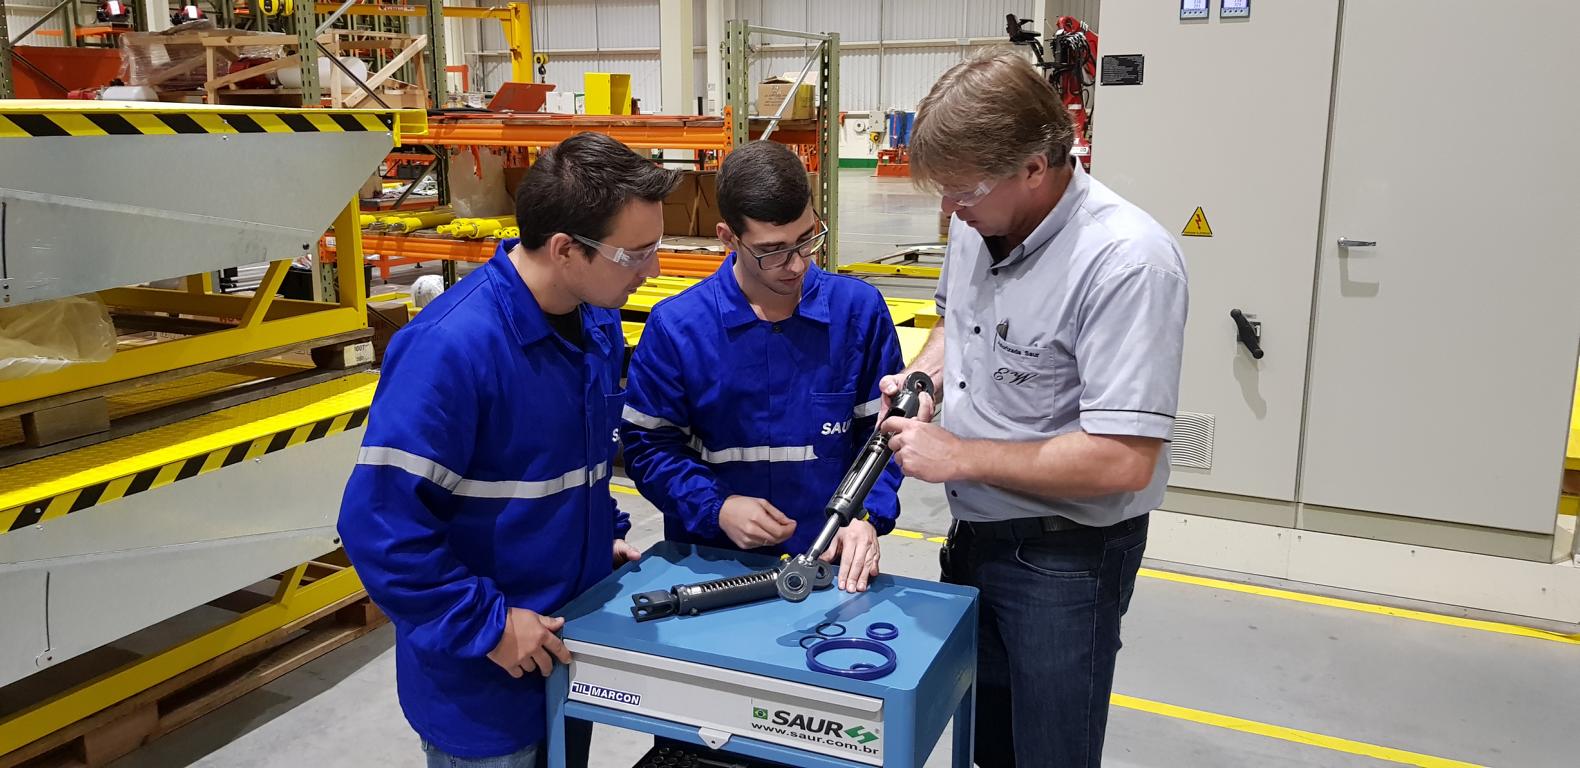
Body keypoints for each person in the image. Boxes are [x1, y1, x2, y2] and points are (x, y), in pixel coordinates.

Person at [878, 51, 1189, 767]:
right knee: (989, 745)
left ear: (1035, 168)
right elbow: (953, 326)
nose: (952, 209)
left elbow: (1121, 458)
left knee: (1050, 755)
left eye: (964, 189)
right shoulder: (977, 225)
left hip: (1065, 561)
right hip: (975, 538)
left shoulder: (1126, 263)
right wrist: (924, 378)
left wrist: (959, 456)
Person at [337, 132, 680, 768]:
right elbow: (379, 527)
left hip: (565, 647)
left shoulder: (594, 323)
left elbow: (565, 472)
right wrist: (489, 627)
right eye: (636, 254)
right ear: (564, 249)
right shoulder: (451, 351)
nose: (653, 269)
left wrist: (589, 541)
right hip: (483, 683)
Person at [621, 141, 904, 593]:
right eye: (772, 251)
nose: (797, 264)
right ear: (728, 237)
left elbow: (886, 438)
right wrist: (717, 507)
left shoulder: (858, 313)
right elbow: (649, 448)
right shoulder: (678, 328)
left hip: (832, 564)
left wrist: (863, 517)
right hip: (713, 566)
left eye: (807, 238)